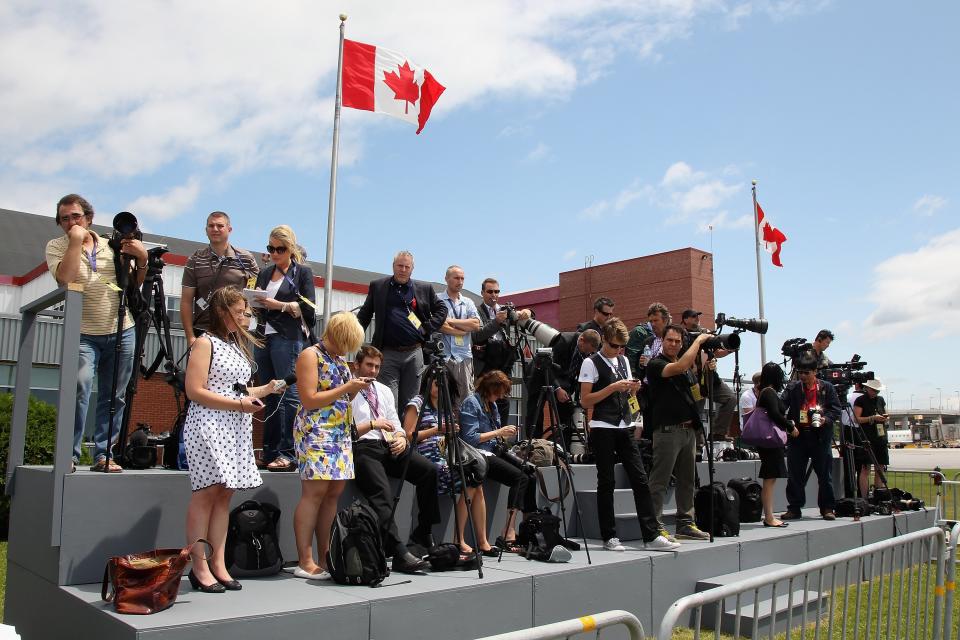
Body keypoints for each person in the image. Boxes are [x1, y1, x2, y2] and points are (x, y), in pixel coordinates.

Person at [182, 286, 282, 592]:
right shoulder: (204, 342)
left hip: (234, 425)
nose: (246, 317)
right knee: (206, 493)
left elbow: (237, 390)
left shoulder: (235, 346)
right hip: (209, 424)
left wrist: (264, 390)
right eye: (241, 311)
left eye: (247, 312)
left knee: (225, 494)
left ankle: (219, 563)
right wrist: (239, 404)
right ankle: (199, 565)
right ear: (224, 311)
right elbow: (195, 390)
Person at [45, 194, 147, 473]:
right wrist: (76, 241)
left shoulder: (111, 244)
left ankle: (104, 454)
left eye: (76, 216)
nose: (70, 222)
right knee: (79, 388)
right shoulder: (56, 246)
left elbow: (132, 285)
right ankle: (70, 454)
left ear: (88, 218)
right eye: (64, 218)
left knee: (115, 395)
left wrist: (143, 259)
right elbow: (64, 279)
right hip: (82, 333)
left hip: (121, 329)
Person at [579, 318, 680, 552]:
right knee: (607, 482)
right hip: (602, 426)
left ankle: (651, 535)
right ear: (604, 339)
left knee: (640, 479)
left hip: (624, 425)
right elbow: (585, 400)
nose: (618, 350)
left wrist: (633, 391)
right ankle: (609, 536)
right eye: (614, 346)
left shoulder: (624, 360)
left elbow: (630, 395)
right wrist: (613, 387)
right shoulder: (591, 363)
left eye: (621, 347)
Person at [290, 312, 366, 580]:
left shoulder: (339, 360)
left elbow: (343, 395)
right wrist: (346, 386)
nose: (347, 348)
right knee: (314, 493)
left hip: (339, 432)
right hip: (316, 431)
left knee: (333, 493)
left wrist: (354, 388)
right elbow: (309, 399)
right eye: (346, 341)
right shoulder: (311, 355)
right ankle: (305, 559)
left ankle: (325, 555)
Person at [350, 346, 436, 573]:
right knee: (382, 493)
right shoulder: (347, 389)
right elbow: (344, 430)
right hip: (362, 447)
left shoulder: (384, 390)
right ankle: (399, 553)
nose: (374, 371)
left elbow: (396, 425)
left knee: (429, 470)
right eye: (369, 365)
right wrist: (372, 425)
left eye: (377, 366)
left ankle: (422, 534)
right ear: (356, 365)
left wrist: (401, 438)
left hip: (388, 445)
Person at [253, 225, 316, 472]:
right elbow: (258, 307)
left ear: (290, 249)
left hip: (288, 338)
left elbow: (309, 308)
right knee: (268, 393)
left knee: (289, 395)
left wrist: (277, 304)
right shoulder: (265, 273)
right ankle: (269, 451)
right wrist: (254, 300)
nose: (275, 253)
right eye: (271, 248)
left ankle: (288, 452)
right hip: (263, 337)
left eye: (280, 249)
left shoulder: (303, 274)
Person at [356, 251, 448, 412]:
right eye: (400, 265)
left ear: (412, 269)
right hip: (387, 353)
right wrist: (353, 337)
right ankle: (391, 435)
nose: (403, 269)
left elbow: (442, 309)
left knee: (411, 401)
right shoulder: (378, 286)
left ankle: (407, 436)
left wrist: (427, 327)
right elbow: (365, 314)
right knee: (388, 397)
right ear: (393, 266)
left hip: (414, 353)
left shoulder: (424, 288)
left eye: (407, 266)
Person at [645, 324, 712, 542]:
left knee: (687, 480)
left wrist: (705, 370)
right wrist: (699, 341)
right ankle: (655, 526)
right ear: (662, 341)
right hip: (667, 431)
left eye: (677, 341)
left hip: (688, 430)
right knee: (660, 481)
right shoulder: (656, 364)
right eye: (670, 340)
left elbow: (699, 394)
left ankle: (685, 523)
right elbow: (682, 365)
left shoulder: (685, 368)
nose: (673, 344)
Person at [460, 370, 535, 555]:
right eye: (499, 392)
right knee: (521, 478)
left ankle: (528, 526)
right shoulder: (472, 403)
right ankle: (508, 532)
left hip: (495, 451)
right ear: (490, 388)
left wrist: (505, 436)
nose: (501, 396)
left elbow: (496, 437)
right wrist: (499, 432)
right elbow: (470, 438)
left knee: (531, 474)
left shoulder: (491, 405)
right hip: (479, 454)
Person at [180, 211, 259, 345]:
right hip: (203, 332)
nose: (215, 229)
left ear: (229, 229)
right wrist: (190, 337)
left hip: (236, 333)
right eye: (211, 226)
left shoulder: (246, 259)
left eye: (220, 226)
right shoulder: (195, 259)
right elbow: (186, 301)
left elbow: (254, 295)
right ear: (206, 230)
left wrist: (245, 319)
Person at [780, 353, 842, 521]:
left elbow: (836, 409)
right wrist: (787, 424)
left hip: (820, 437)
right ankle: (794, 507)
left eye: (807, 373)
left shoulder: (827, 387)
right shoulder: (793, 388)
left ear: (815, 372)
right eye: (800, 372)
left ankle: (827, 508)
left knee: (824, 475)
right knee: (795, 475)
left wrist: (825, 419)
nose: (803, 376)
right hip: (798, 436)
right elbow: (781, 406)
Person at [524, 329, 601, 446]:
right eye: (586, 350)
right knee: (535, 414)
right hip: (539, 375)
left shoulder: (586, 350)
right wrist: (557, 389)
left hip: (562, 379)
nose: (587, 354)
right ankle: (534, 445)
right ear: (581, 340)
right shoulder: (563, 341)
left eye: (590, 352)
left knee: (566, 412)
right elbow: (547, 365)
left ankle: (565, 446)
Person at [471, 277, 531, 425]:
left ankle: (502, 439)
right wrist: (496, 322)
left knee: (503, 399)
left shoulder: (505, 309)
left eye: (497, 291)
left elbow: (522, 316)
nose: (494, 295)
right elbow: (477, 336)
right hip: (484, 362)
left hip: (504, 362)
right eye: (490, 291)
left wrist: (527, 312)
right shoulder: (477, 311)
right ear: (482, 293)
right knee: (483, 399)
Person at [750, 363, 797, 528]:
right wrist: (790, 427)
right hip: (770, 442)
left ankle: (769, 515)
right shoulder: (769, 392)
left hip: (770, 441)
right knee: (770, 478)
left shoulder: (766, 392)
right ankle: (769, 516)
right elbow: (775, 414)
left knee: (771, 478)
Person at [681, 309, 738, 438]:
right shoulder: (681, 335)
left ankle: (718, 433)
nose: (697, 318)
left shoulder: (705, 333)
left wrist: (730, 349)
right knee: (697, 412)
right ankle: (698, 446)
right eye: (693, 316)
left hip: (710, 377)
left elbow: (717, 352)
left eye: (698, 316)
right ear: (685, 320)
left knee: (730, 399)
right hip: (694, 378)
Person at [438, 265, 481, 401]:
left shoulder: (468, 302)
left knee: (466, 398)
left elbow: (476, 324)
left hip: (464, 357)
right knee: (442, 398)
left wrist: (450, 320)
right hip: (444, 357)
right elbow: (439, 324)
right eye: (456, 278)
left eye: (462, 278)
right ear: (446, 279)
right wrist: (462, 330)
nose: (460, 281)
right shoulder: (437, 299)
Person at [853, 379, 889, 499]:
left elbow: (885, 412)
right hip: (867, 438)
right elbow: (856, 419)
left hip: (880, 437)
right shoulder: (861, 400)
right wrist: (872, 418)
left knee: (880, 467)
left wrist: (884, 417)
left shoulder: (880, 399)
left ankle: (878, 496)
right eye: (873, 390)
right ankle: (864, 498)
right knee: (865, 468)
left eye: (877, 390)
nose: (875, 392)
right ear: (867, 388)